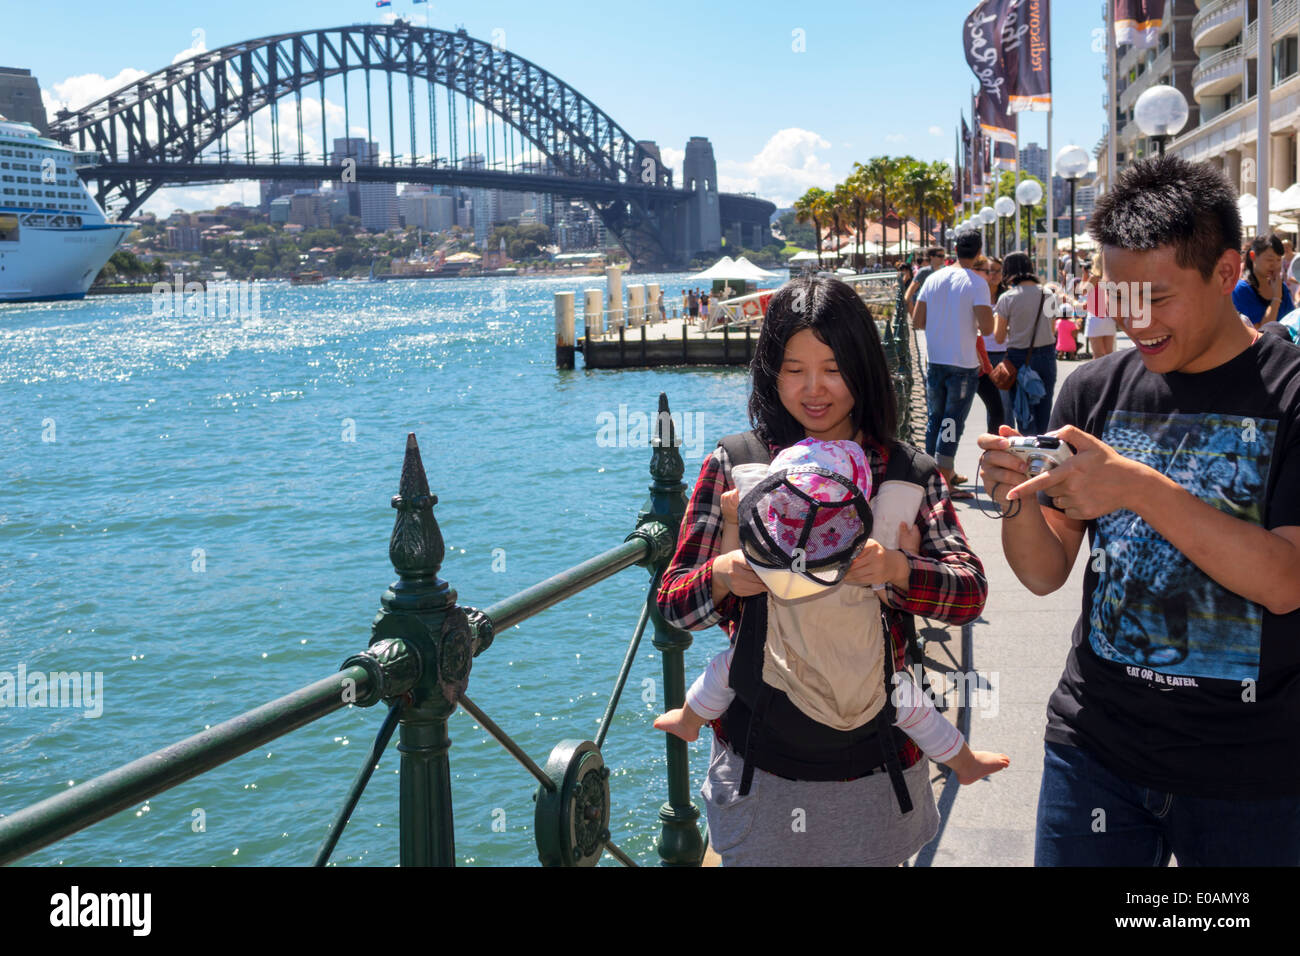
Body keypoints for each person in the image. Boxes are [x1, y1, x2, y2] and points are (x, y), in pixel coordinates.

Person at [978, 153, 1300, 866]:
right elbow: (1043, 573)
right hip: (1095, 748)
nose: (1134, 322)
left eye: (1155, 298)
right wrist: (1015, 502)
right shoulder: (1092, 389)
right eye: (1117, 298)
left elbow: (1286, 581)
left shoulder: (1291, 391)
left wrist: (1136, 486)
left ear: (1226, 272)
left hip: (1255, 770)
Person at [656, 274, 988, 866]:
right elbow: (674, 603)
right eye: (793, 369)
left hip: (876, 768)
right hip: (761, 770)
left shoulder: (904, 473)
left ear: (862, 366)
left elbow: (969, 594)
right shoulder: (739, 464)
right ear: (769, 373)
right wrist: (724, 575)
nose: (814, 390)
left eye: (833, 368)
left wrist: (901, 570)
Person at [655, 442, 1008, 786]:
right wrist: (904, 558)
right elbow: (888, 594)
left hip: (787, 674)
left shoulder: (774, 555)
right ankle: (965, 761)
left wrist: (732, 521)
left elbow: (736, 567)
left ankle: (689, 720)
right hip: (864, 678)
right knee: (911, 703)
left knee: (727, 667)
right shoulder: (866, 552)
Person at [913, 231, 994, 498]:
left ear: (954, 248)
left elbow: (918, 321)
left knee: (934, 420)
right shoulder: (977, 283)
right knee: (951, 423)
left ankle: (931, 476)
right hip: (963, 363)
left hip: (935, 359)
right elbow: (988, 327)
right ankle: (944, 482)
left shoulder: (933, 278)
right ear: (979, 251)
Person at [992, 251, 1057, 435]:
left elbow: (998, 337)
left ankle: (1028, 454)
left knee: (1023, 411)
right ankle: (1043, 451)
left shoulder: (1007, 298)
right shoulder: (1048, 294)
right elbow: (1052, 331)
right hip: (1046, 355)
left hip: (1018, 357)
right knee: (1044, 410)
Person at [972, 255, 1008, 434]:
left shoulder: (1006, 296)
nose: (993, 275)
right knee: (994, 406)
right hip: (981, 355)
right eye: (990, 270)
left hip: (1003, 353)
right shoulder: (977, 293)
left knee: (1002, 406)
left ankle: (1006, 442)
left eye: (997, 271)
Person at [1232, 232, 1295, 331]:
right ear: (1253, 256)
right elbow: (1261, 335)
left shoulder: (1282, 288)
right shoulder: (1240, 290)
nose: (1274, 265)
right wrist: (1276, 299)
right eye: (1270, 260)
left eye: (1278, 260)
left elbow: (1293, 325)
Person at [1081, 252, 1117, 357]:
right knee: (1109, 353)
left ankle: (1100, 374)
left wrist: (1085, 275)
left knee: (1097, 354)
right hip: (1109, 317)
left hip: (1095, 317)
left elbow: (1083, 291)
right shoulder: (1110, 276)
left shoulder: (1094, 278)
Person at [904, 246, 945, 318]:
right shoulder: (924, 271)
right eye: (940, 256)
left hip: (942, 307)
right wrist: (904, 303)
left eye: (943, 256)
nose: (943, 258)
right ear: (931, 257)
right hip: (927, 307)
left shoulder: (945, 270)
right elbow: (911, 289)